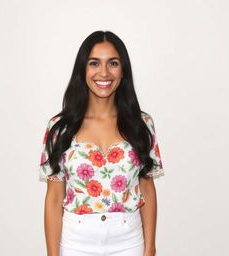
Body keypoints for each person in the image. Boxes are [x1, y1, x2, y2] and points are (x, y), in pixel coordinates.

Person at [38, 30, 164, 256]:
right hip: (76, 242)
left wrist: (150, 248)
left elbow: (148, 188)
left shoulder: (142, 124)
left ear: (123, 70)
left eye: (113, 63)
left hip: (129, 241)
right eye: (94, 63)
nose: (104, 72)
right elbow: (54, 197)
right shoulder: (59, 128)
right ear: (82, 70)